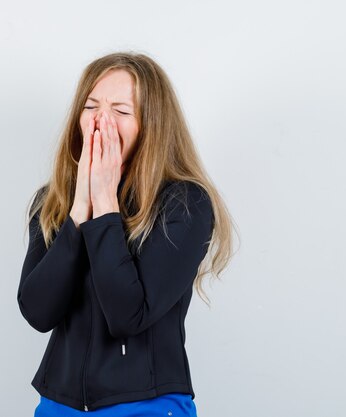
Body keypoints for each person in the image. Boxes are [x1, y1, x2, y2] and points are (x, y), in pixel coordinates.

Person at [17, 51, 236, 417]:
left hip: (146, 404)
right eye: (90, 106)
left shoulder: (184, 202)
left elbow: (128, 316)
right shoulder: (53, 201)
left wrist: (104, 204)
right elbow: (38, 311)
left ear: (152, 125)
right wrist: (78, 210)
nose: (102, 120)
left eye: (121, 110)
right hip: (59, 404)